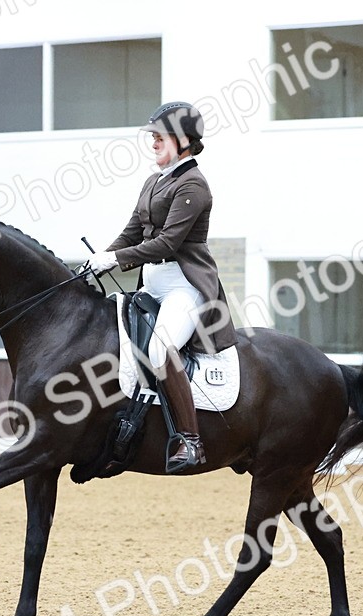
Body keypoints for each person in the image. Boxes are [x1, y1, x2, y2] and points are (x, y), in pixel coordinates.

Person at [85, 101, 238, 474]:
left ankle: (190, 441)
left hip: (184, 286)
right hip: (151, 285)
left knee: (159, 348)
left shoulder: (193, 184)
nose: (153, 142)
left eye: (160, 136)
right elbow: (132, 233)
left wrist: (117, 261)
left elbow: (168, 243)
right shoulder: (154, 181)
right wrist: (100, 258)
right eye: (152, 136)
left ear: (184, 140)